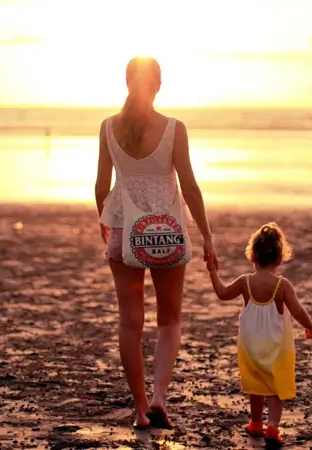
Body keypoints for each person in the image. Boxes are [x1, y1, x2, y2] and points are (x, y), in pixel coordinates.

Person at [94, 56, 218, 430]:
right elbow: (190, 186)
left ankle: (140, 410)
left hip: (123, 230)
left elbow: (101, 185)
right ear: (159, 85)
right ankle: (160, 398)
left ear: (126, 82)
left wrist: (104, 222)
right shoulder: (174, 129)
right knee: (170, 318)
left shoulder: (107, 128)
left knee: (130, 323)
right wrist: (207, 234)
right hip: (167, 232)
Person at [206, 222, 312, 446]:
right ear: (279, 259)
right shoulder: (282, 285)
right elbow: (297, 311)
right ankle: (272, 428)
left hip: (250, 344)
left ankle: (256, 423)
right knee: (275, 387)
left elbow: (222, 293)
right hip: (277, 346)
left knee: (255, 384)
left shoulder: (244, 282)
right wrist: (309, 326)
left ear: (252, 256)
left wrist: (213, 272)